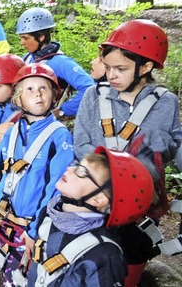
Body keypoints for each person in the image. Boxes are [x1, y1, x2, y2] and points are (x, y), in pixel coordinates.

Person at [73, 19, 181, 287]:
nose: (111, 75)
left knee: (131, 264)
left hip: (141, 211)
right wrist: (107, 181)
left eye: (120, 69)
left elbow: (175, 144)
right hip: (97, 205)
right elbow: (82, 144)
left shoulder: (165, 103)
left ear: (145, 67)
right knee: (94, 264)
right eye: (108, 67)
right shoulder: (93, 97)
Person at [0, 63, 74, 286]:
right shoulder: (12, 132)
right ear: (18, 97)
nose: (37, 93)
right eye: (29, 89)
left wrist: (34, 231)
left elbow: (55, 191)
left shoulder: (60, 138)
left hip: (29, 230)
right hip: (0, 220)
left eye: (44, 88)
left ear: (54, 95)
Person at [26, 146, 154, 286]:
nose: (69, 169)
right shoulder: (48, 215)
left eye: (82, 172)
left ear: (98, 199)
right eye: (77, 165)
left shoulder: (104, 254)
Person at [16, 7, 95, 118]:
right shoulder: (27, 59)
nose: (21, 43)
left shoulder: (60, 62)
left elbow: (89, 88)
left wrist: (62, 111)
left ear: (41, 37)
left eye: (25, 38)